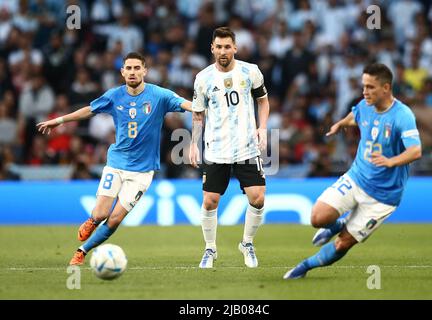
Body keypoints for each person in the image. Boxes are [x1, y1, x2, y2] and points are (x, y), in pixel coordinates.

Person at [37, 52, 192, 265]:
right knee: (100, 213)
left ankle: (82, 251)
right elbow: (89, 110)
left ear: (145, 71)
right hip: (117, 163)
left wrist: (203, 108)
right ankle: (92, 221)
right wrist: (60, 120)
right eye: (128, 68)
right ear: (122, 72)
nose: (132, 72)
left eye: (137, 68)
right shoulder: (114, 96)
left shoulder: (159, 95)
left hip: (143, 171)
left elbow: (186, 104)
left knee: (116, 218)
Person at [284, 63, 422, 279]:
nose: (365, 91)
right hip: (356, 177)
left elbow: (415, 151)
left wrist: (391, 161)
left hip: (383, 197)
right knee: (317, 218)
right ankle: (336, 224)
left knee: (343, 243)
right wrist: (340, 124)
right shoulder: (365, 105)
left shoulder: (403, 115)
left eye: (370, 87)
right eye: (363, 86)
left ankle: (303, 268)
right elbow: (354, 117)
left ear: (386, 88)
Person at [189, 27, 270, 268]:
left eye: (227, 46)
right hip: (216, 148)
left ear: (235, 47)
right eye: (219, 47)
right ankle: (210, 249)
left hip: (246, 146)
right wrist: (193, 143)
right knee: (210, 201)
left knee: (258, 198)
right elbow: (197, 114)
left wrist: (263, 127)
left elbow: (263, 101)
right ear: (212, 48)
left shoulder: (250, 72)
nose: (223, 51)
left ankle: (247, 243)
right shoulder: (203, 78)